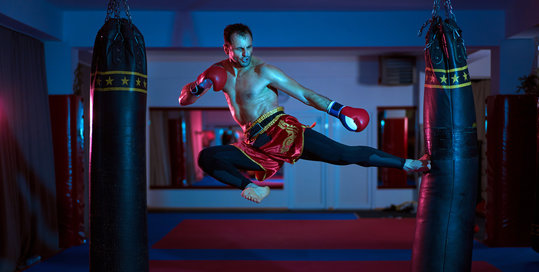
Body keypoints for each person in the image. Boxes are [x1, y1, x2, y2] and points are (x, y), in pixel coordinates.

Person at [179, 23, 430, 203]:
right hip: (253, 144)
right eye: (240, 49)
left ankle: (409, 164)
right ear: (227, 49)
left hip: (281, 131)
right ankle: (253, 187)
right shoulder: (216, 71)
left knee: (343, 155)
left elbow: (305, 94)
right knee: (207, 158)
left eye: (250, 48)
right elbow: (183, 100)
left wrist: (340, 110)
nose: (246, 54)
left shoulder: (265, 71)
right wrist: (197, 87)